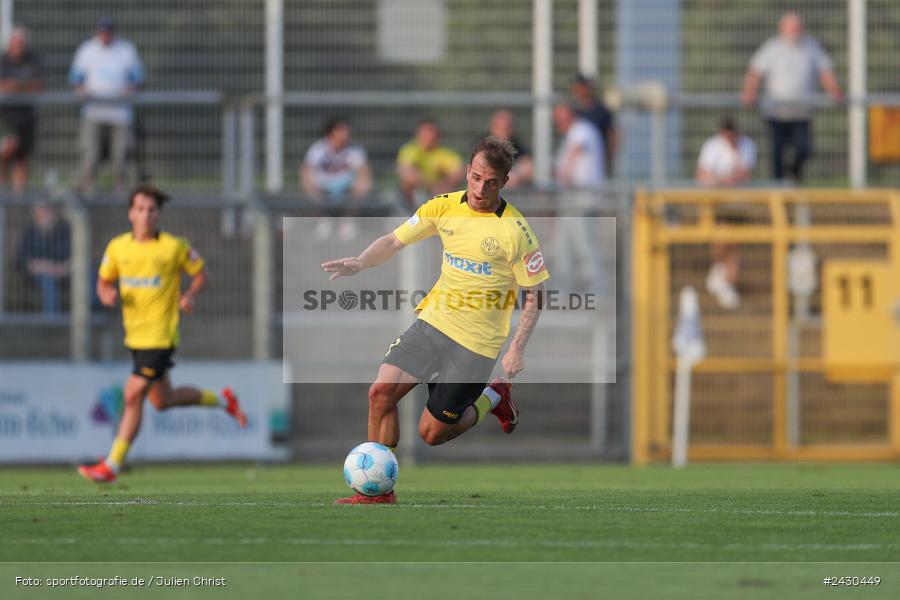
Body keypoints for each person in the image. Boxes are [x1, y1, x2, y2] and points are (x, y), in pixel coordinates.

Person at [323, 136, 549, 504]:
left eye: (491, 182)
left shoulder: (516, 231)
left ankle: (494, 396)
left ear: (504, 182)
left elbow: (535, 295)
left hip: (475, 346)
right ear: (466, 172)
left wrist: (517, 349)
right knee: (380, 394)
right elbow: (395, 241)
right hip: (433, 324)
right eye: (475, 177)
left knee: (432, 433)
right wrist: (361, 261)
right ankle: (377, 492)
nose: (480, 188)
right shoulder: (443, 207)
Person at [78, 185, 247, 483]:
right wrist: (105, 294)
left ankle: (112, 465)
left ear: (158, 214)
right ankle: (224, 401)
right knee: (163, 400)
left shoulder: (173, 247)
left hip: (161, 336)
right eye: (140, 209)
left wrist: (190, 295)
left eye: (152, 210)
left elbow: (201, 274)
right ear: (131, 213)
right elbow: (103, 282)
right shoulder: (118, 247)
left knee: (133, 395)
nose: (146, 215)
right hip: (136, 337)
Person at [741, 12, 842, 182]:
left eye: (798, 27)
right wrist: (750, 91)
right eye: (792, 27)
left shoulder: (811, 47)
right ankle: (778, 190)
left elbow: (825, 72)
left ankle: (793, 176)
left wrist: (835, 91)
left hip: (801, 113)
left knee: (804, 149)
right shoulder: (772, 48)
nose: (795, 31)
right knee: (777, 152)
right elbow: (755, 72)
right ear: (782, 28)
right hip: (777, 113)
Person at [69, 17, 144, 194]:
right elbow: (76, 78)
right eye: (102, 31)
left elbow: (137, 77)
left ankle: (121, 189)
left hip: (120, 112)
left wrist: (129, 90)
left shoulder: (126, 50)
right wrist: (82, 91)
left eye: (108, 31)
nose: (105, 35)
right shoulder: (87, 50)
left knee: (121, 155)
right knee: (90, 154)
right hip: (94, 111)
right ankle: (89, 188)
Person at [695, 118, 757, 310]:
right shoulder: (713, 146)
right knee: (721, 239)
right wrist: (723, 180)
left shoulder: (746, 146)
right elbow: (702, 174)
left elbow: (744, 174)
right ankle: (720, 274)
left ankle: (727, 283)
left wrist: (724, 179)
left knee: (734, 243)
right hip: (717, 202)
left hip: (737, 204)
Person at [551, 102, 605, 293]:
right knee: (564, 248)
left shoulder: (580, 130)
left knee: (585, 248)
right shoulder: (575, 132)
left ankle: (597, 293)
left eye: (560, 117)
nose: (557, 122)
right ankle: (564, 292)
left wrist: (562, 175)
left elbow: (576, 151)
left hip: (581, 198)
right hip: (571, 199)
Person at [301, 117, 373, 241]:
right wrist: (310, 185)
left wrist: (362, 181)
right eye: (341, 130)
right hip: (323, 186)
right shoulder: (318, 148)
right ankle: (324, 220)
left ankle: (347, 221)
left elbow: (363, 170)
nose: (345, 134)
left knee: (363, 184)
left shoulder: (354, 149)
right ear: (331, 133)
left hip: (346, 186)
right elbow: (306, 170)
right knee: (309, 182)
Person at [0, 27, 44, 194]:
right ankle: (3, 190)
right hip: (6, 117)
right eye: (16, 43)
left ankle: (19, 196)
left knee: (22, 158)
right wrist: (22, 86)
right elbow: (3, 87)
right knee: (7, 149)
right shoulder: (3, 61)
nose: (19, 47)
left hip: (26, 117)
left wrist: (15, 86)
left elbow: (38, 86)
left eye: (21, 43)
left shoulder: (32, 60)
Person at [396, 119, 464, 210]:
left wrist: (443, 185)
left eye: (433, 133)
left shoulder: (444, 153)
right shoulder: (410, 150)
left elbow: (458, 172)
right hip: (415, 195)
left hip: (438, 193)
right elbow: (407, 174)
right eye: (427, 133)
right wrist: (432, 185)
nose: (430, 136)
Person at [15, 202, 70, 314]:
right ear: (36, 217)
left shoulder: (63, 231)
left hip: (65, 274)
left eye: (48, 211)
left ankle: (97, 318)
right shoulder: (29, 233)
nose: (46, 216)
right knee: (48, 281)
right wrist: (47, 268)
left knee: (90, 274)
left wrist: (64, 268)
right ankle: (52, 322)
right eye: (42, 213)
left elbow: (76, 256)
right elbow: (22, 260)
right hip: (38, 277)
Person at [570, 74, 618, 177]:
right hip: (577, 165)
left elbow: (613, 135)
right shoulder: (574, 110)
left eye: (581, 87)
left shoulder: (601, 110)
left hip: (596, 161)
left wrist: (608, 158)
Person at [486, 109, 533, 188]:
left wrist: (517, 174)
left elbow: (528, 168)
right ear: (492, 128)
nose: (504, 132)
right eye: (500, 128)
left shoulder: (517, 145)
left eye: (508, 127)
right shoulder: (483, 147)